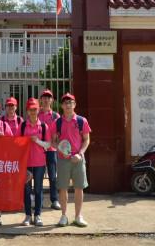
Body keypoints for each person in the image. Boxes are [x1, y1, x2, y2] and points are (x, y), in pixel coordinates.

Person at [52, 93, 92, 228]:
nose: (68, 105)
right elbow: (53, 141)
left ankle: (78, 216)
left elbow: (86, 140)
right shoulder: (57, 122)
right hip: (63, 160)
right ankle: (63, 216)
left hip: (78, 160)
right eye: (65, 103)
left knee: (79, 188)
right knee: (63, 188)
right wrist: (60, 149)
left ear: (74, 105)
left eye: (70, 102)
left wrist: (80, 154)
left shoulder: (81, 121)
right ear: (62, 106)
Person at [17, 97, 50, 226]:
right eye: (30, 109)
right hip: (26, 163)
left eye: (35, 109)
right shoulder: (22, 125)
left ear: (38, 110)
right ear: (27, 111)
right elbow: (16, 143)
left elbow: (48, 144)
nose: (32, 112)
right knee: (26, 190)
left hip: (39, 163)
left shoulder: (43, 126)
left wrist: (37, 141)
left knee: (38, 189)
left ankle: (37, 215)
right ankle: (27, 215)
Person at [38, 89, 61, 210]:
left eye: (48, 97)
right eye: (44, 97)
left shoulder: (56, 116)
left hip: (52, 150)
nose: (46, 100)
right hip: (39, 150)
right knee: (39, 177)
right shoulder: (36, 114)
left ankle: (54, 199)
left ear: (52, 100)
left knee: (52, 176)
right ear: (41, 100)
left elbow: (60, 133)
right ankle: (39, 200)